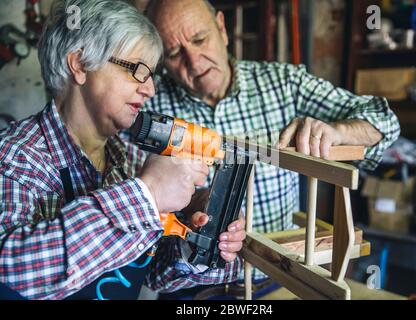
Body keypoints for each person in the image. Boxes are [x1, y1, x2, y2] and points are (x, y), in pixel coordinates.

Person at [139, 0, 401, 294]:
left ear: (223, 29)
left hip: (282, 279)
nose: (195, 62)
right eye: (174, 53)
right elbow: (146, 260)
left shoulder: (283, 83)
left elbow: (384, 121)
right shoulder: (148, 107)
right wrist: (189, 212)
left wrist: (339, 132)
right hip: (193, 288)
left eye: (200, 39)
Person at [0, 0, 245, 300]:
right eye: (138, 70)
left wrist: (197, 237)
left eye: (152, 74)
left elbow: (152, 273)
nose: (150, 89)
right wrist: (147, 195)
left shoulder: (129, 159)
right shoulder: (15, 156)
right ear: (79, 64)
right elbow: (11, 269)